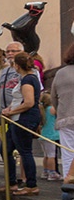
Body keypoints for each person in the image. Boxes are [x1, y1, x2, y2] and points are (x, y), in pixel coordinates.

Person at [0, 52, 43, 196]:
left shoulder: (28, 80)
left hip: (24, 118)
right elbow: (20, 100)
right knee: (5, 148)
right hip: (17, 117)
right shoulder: (27, 78)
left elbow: (29, 102)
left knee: (25, 151)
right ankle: (11, 182)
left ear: (17, 66)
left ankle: (31, 185)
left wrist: (11, 112)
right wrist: (10, 109)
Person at [51, 43, 74, 184]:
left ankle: (68, 186)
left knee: (67, 153)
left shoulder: (61, 73)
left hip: (65, 117)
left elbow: (53, 97)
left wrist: (60, 110)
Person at [40, 92, 62, 181]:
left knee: (46, 155)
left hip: (43, 134)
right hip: (51, 135)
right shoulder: (52, 109)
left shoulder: (43, 110)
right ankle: (52, 173)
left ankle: (45, 171)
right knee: (51, 155)